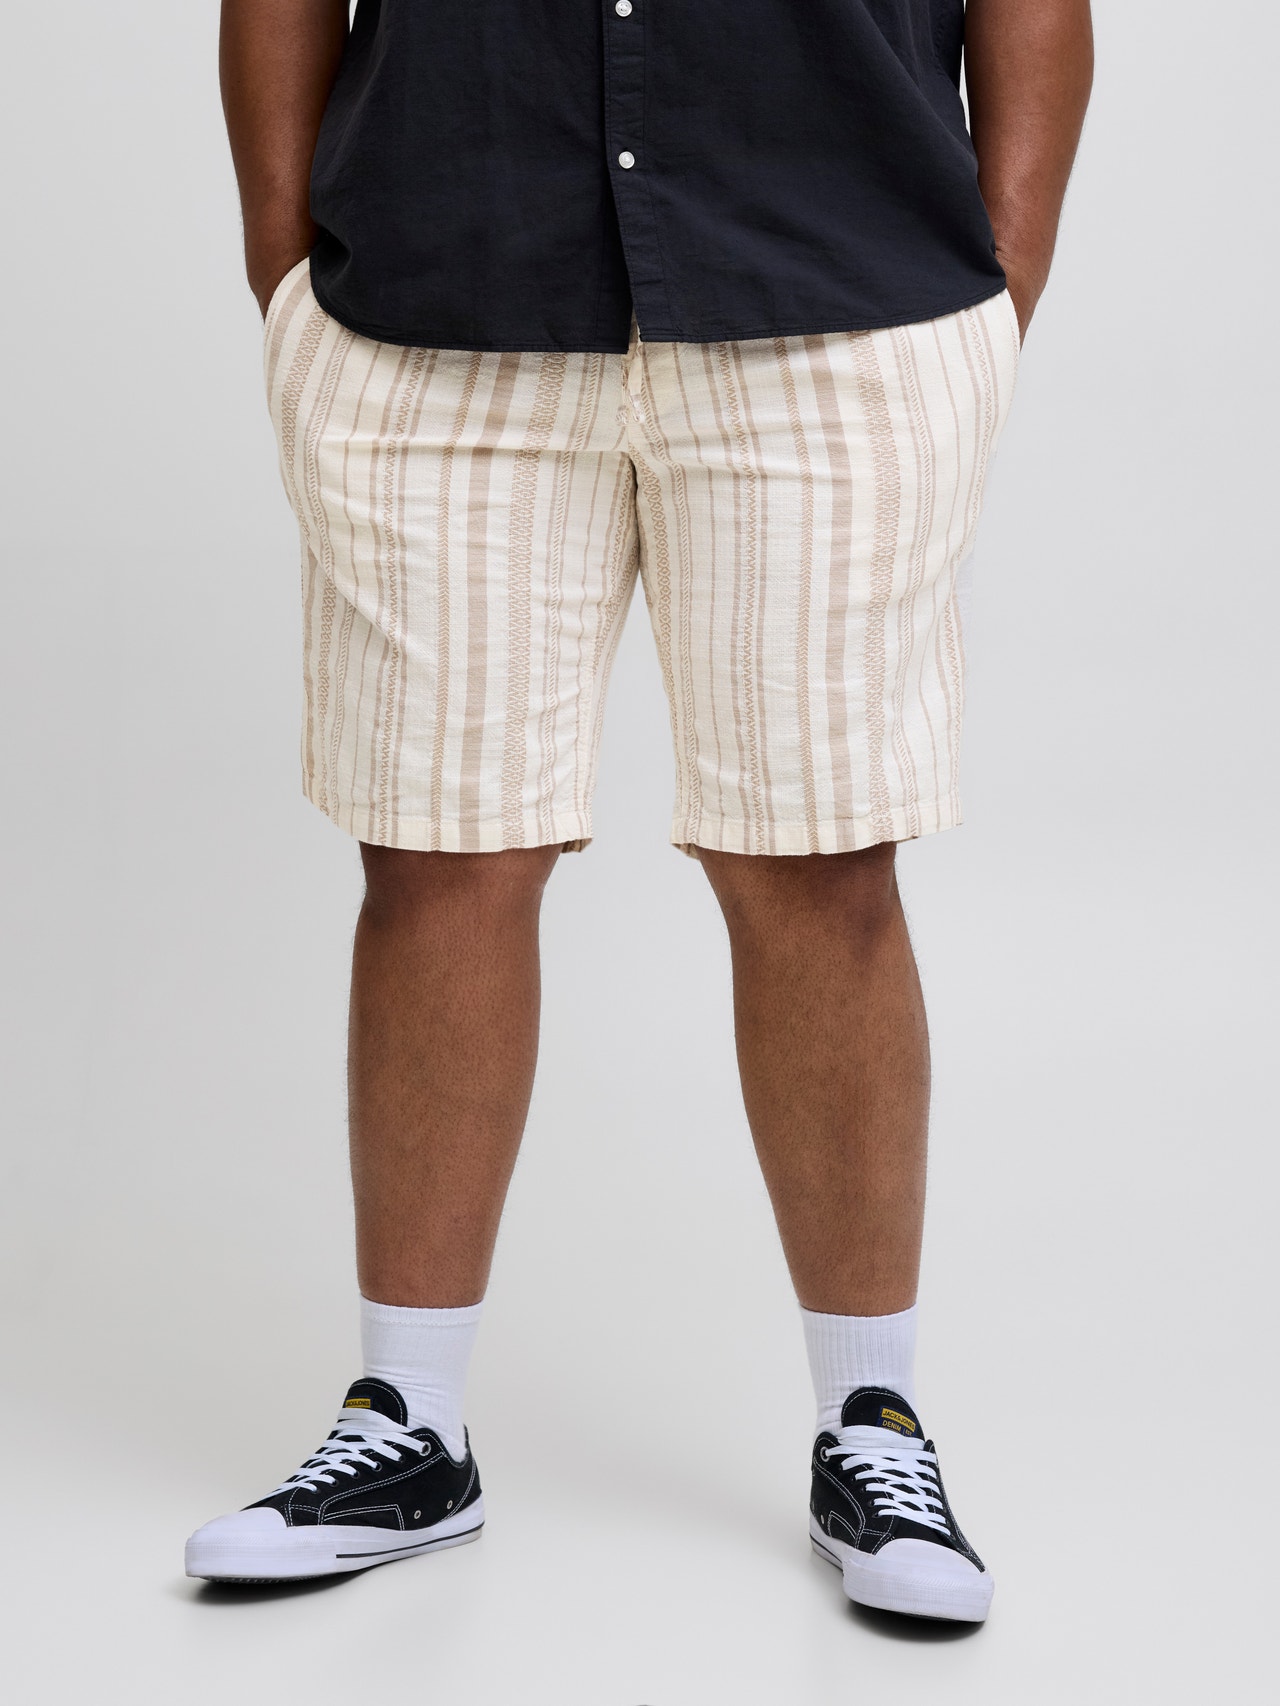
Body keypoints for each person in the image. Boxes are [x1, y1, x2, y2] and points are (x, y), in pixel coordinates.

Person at [185, 0, 1092, 1621]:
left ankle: (872, 1422)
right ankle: (410, 1423)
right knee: (439, 847)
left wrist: (998, 299)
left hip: (836, 291)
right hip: (439, 294)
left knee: (818, 863)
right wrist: (285, 279)